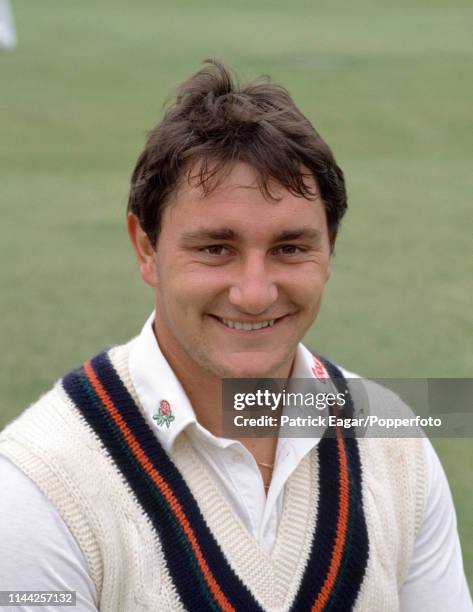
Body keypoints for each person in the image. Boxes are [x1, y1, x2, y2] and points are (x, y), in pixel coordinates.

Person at [0, 60, 471, 612]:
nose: (254, 293)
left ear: (330, 250)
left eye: (290, 248)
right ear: (146, 248)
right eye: (215, 249)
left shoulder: (394, 440)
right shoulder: (41, 482)